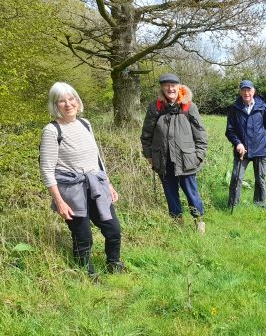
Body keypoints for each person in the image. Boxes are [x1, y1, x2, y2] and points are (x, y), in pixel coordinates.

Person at [40, 82, 124, 278]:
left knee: (113, 229)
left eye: (71, 99)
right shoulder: (52, 131)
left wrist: (108, 184)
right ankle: (87, 275)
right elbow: (46, 170)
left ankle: (114, 265)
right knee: (83, 236)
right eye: (62, 101)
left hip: (96, 185)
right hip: (72, 191)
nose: (68, 104)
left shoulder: (86, 124)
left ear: (77, 101)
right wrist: (59, 202)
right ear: (55, 105)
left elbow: (97, 158)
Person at [141, 73, 208, 233]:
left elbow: (200, 134)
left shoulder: (189, 107)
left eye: (173, 85)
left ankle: (198, 221)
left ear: (179, 87)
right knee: (170, 193)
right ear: (162, 88)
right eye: (166, 85)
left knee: (191, 193)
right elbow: (146, 135)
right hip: (163, 159)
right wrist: (149, 155)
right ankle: (177, 222)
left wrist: (199, 155)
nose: (170, 88)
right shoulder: (155, 107)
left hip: (187, 159)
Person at [226, 80, 266, 208]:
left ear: (253, 91)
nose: (246, 93)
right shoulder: (234, 108)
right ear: (240, 92)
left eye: (248, 90)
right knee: (236, 177)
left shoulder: (263, 107)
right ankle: (233, 205)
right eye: (243, 90)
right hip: (242, 150)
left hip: (261, 149)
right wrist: (237, 143)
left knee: (260, 178)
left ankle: (259, 205)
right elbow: (230, 131)